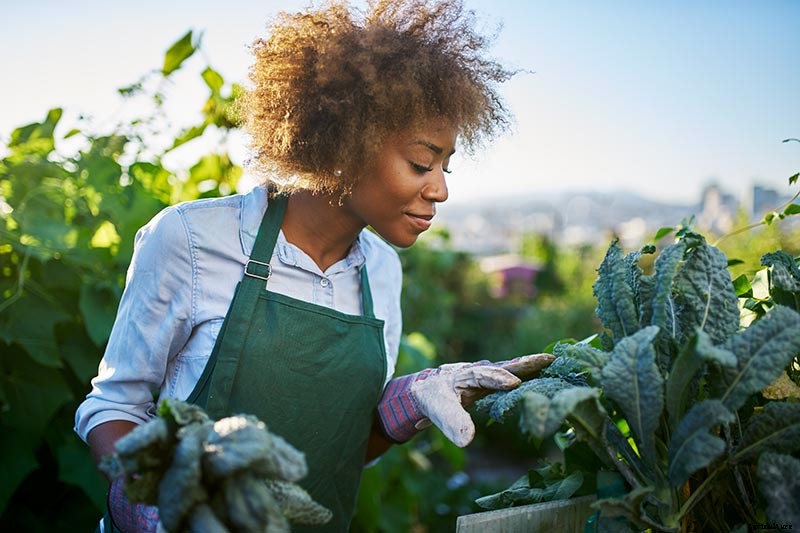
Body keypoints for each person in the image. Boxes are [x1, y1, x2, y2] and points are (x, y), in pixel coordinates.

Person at [75, 1, 553, 531]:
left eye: (446, 164)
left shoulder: (382, 274)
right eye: (421, 162)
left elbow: (344, 452)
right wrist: (151, 502)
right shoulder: (192, 239)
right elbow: (114, 405)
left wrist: (407, 405)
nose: (440, 188)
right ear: (346, 142)